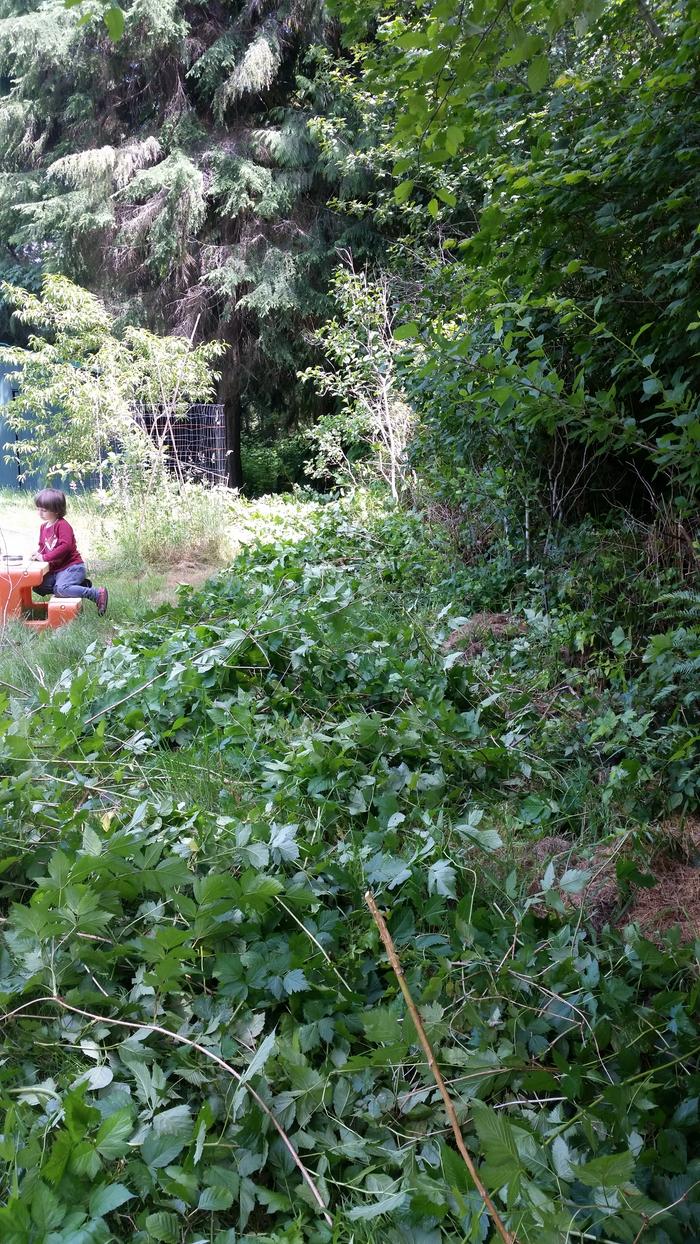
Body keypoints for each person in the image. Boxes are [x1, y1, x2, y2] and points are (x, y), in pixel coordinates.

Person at [31, 488, 108, 616]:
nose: (40, 513)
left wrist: (45, 557)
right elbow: (42, 547)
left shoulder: (62, 525)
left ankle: (96, 593)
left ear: (56, 510)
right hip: (57, 570)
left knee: (60, 589)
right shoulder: (43, 527)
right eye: (38, 509)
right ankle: (78, 585)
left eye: (44, 510)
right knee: (37, 584)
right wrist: (37, 555)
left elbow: (65, 547)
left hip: (72, 567)